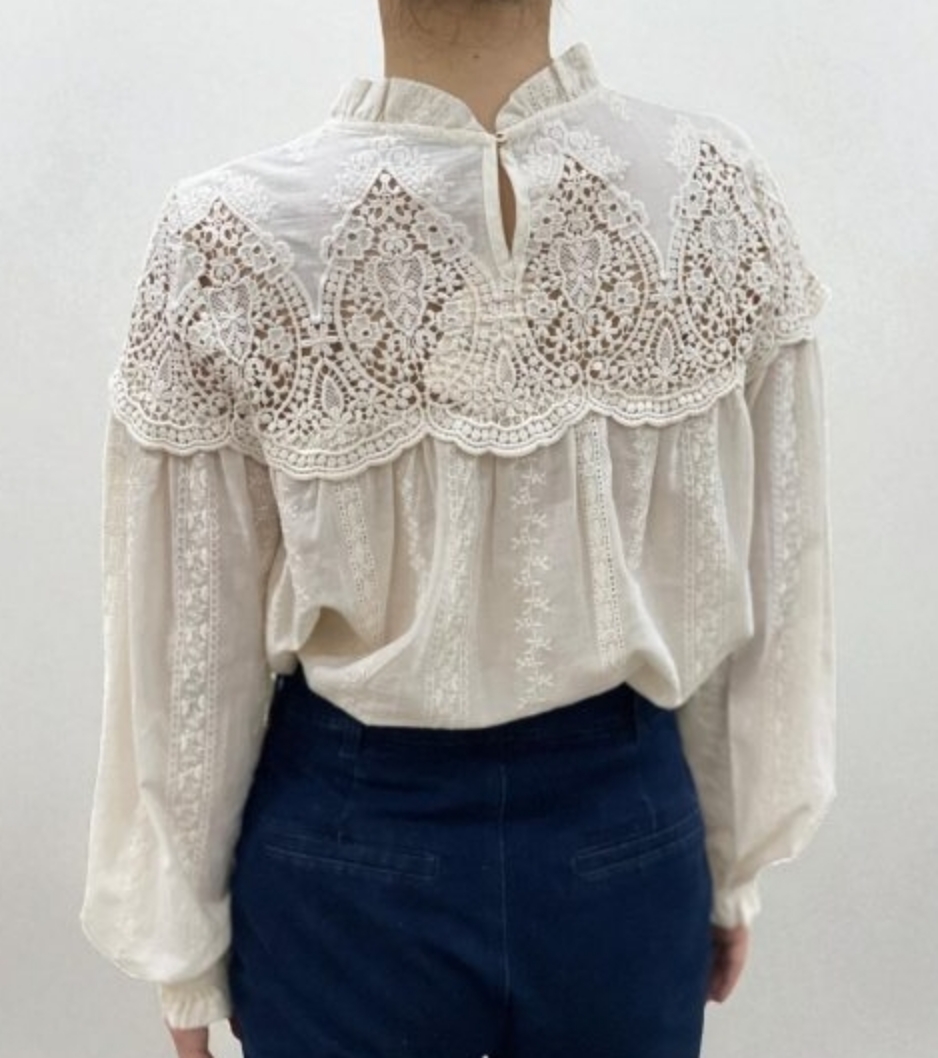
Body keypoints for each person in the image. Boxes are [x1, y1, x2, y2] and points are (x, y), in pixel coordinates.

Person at [78, 0, 837, 1056]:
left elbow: (191, 651)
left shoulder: (230, 236)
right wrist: (725, 859)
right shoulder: (711, 192)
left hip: (346, 856)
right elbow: (764, 571)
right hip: (624, 841)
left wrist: (187, 956)